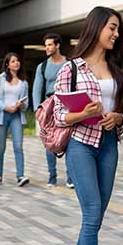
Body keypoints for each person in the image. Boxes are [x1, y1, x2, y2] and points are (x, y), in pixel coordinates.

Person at [54, 6, 123, 245]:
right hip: (81, 145)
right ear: (96, 28)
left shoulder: (118, 69)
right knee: (92, 212)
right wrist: (82, 114)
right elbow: (60, 115)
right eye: (111, 27)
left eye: (117, 29)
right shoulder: (71, 69)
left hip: (109, 146)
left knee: (97, 216)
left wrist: (119, 117)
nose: (115, 34)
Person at [32, 33, 73, 187]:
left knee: (68, 141)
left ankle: (70, 178)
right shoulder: (42, 67)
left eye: (50, 45)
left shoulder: (69, 64)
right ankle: (52, 177)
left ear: (57, 45)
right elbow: (37, 89)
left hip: (67, 105)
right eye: (46, 45)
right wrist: (37, 109)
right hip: (49, 107)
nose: (47, 48)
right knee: (50, 142)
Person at [0, 52, 30, 187]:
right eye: (13, 61)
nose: (16, 63)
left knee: (18, 146)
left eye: (18, 61)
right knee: (1, 147)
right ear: (7, 64)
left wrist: (21, 105)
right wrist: (6, 107)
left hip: (17, 116)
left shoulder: (23, 82)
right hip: (2, 116)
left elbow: (26, 103)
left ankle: (20, 176)